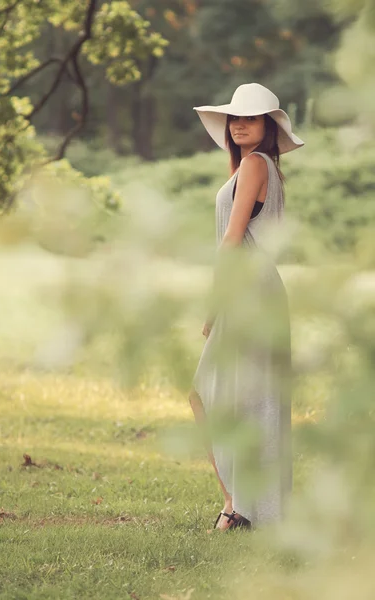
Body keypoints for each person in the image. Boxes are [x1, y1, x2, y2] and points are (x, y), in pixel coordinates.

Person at [189, 83, 304, 531]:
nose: (239, 125)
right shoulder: (257, 168)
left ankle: (237, 508)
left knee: (210, 393)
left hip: (247, 289)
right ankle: (240, 507)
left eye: (250, 119)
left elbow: (232, 239)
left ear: (268, 128)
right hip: (260, 288)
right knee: (241, 397)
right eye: (234, 119)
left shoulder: (256, 165)